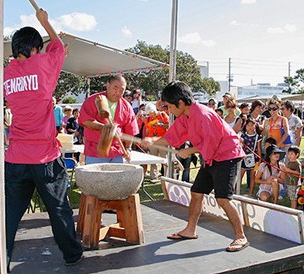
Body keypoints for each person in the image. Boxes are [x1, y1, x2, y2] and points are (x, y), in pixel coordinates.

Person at [3, 9, 84, 268]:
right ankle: (72, 253)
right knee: (58, 209)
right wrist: (45, 22)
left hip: (16, 155)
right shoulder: (42, 64)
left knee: (10, 214)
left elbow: (54, 50)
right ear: (35, 48)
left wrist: (48, 43)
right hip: (44, 156)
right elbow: (59, 46)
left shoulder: (6, 74)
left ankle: (1, 258)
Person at [141, 81, 249, 252]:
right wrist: (152, 141)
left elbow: (211, 142)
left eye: (169, 106)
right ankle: (190, 230)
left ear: (181, 103)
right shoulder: (185, 117)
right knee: (196, 192)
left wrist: (189, 151)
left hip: (228, 156)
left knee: (223, 199)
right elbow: (172, 136)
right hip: (211, 157)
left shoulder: (204, 115)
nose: (169, 110)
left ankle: (241, 236)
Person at [79, 75, 138, 164]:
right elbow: (86, 121)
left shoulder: (127, 107)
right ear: (107, 85)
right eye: (115, 88)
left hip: (117, 152)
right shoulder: (93, 100)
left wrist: (128, 149)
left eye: (121, 90)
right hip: (95, 151)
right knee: (97, 177)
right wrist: (106, 128)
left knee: (117, 177)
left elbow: (130, 131)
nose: (118, 92)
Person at [239, 119, 260, 195]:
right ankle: (236, 191)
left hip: (253, 158)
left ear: (255, 126)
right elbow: (240, 146)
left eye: (252, 125)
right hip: (244, 158)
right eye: (248, 125)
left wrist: (259, 159)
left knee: (252, 176)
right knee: (240, 175)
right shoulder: (243, 135)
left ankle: (250, 193)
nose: (250, 127)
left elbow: (258, 148)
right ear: (246, 126)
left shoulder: (257, 136)